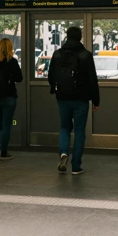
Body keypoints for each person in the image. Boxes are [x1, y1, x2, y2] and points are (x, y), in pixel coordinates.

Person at [47, 26, 99, 175]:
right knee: (80, 130)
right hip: (81, 99)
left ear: (67, 36)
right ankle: (76, 166)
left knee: (64, 127)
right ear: (80, 37)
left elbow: (51, 76)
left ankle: (63, 153)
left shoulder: (57, 54)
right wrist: (96, 100)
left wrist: (54, 88)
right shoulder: (85, 55)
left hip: (62, 97)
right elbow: (92, 80)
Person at [0, 38, 23, 163]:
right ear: (10, 48)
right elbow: (19, 78)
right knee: (6, 125)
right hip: (9, 97)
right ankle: (3, 152)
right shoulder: (12, 62)